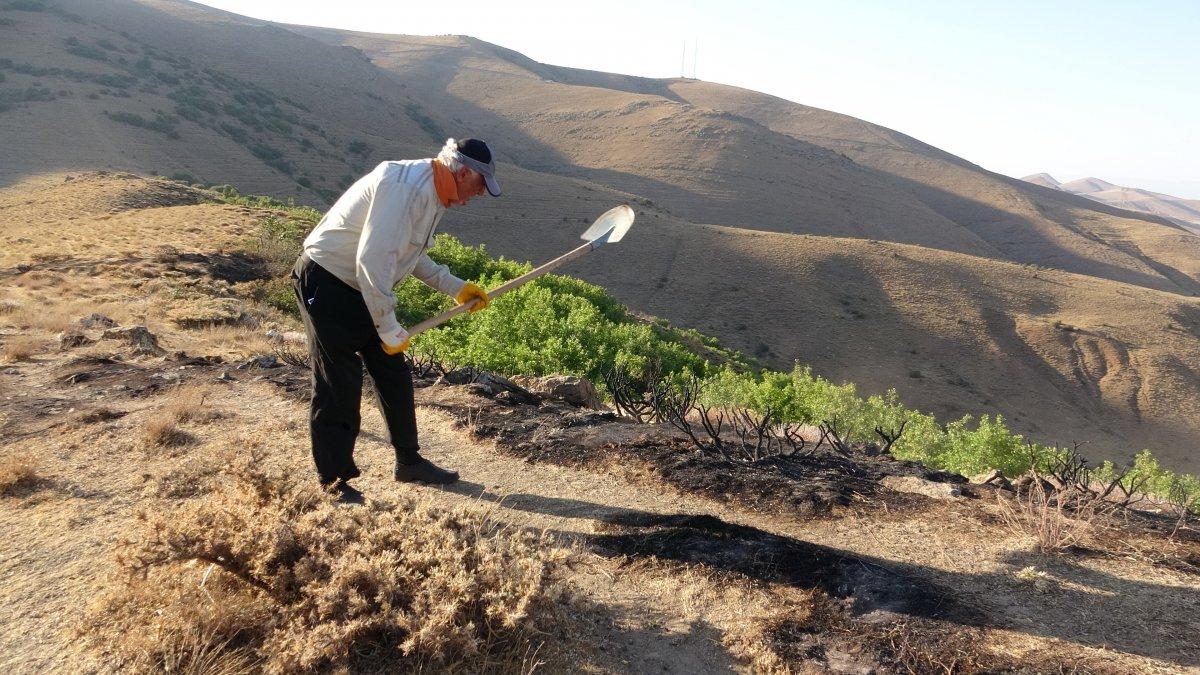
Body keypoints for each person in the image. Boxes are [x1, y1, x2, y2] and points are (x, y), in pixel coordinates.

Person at [291, 137, 501, 503]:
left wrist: (456, 287)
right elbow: (373, 263)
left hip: (361, 286)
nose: (481, 193)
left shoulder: (435, 194)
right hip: (328, 280)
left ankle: (408, 461)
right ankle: (333, 480)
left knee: (393, 372)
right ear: (464, 171)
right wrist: (387, 326)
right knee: (339, 380)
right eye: (480, 184)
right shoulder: (405, 189)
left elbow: (409, 254)